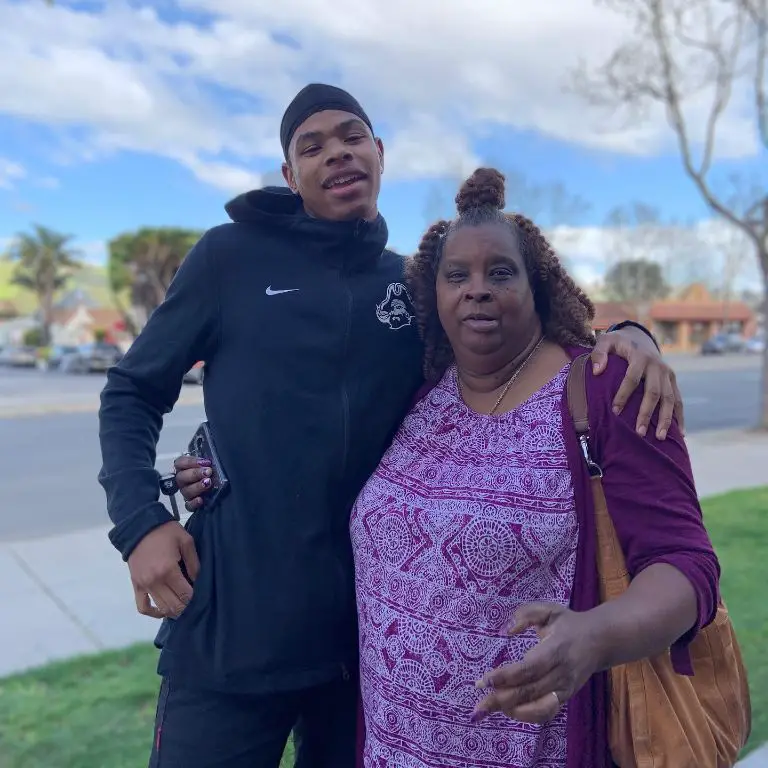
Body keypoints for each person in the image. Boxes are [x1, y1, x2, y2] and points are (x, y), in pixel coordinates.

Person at [99, 82, 682, 768]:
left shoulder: (411, 286)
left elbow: (513, 328)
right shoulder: (228, 260)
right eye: (311, 147)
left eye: (351, 137)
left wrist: (633, 335)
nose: (336, 154)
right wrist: (141, 520)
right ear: (290, 176)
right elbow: (133, 389)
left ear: (379, 154)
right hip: (233, 631)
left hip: (361, 657)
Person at [346, 168, 716, 767]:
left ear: (536, 283)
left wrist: (596, 637)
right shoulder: (422, 398)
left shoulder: (606, 389)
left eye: (500, 272)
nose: (477, 289)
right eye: (456, 275)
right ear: (433, 295)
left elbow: (688, 567)